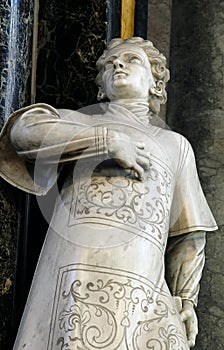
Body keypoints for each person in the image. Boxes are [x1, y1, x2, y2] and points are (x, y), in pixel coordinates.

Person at [0, 37, 217, 349]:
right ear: (101, 87)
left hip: (144, 280)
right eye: (109, 63)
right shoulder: (81, 122)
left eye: (131, 59)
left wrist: (186, 298)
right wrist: (104, 141)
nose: (118, 64)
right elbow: (24, 131)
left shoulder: (175, 146)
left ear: (155, 84)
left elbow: (189, 234)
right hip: (77, 268)